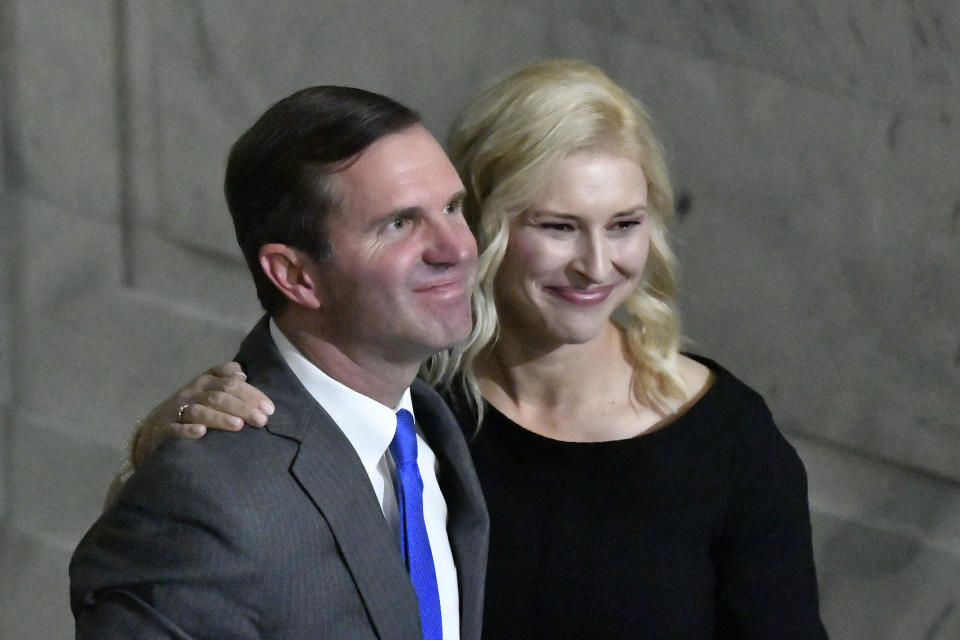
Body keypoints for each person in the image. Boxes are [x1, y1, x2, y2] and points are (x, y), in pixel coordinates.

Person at [124, 60, 828, 639]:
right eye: (556, 226)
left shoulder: (729, 439)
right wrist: (158, 454)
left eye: (624, 224)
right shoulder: (404, 402)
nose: (596, 265)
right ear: (491, 224)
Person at [69, 86, 489, 639]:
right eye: (399, 224)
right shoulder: (201, 496)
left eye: (452, 208)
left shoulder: (439, 428)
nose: (455, 248)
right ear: (295, 276)